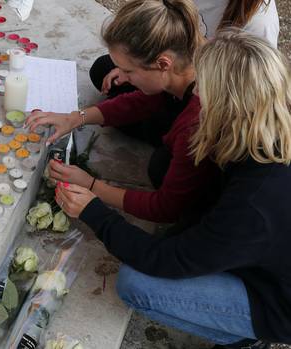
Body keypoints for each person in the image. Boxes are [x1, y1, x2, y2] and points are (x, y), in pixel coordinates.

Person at [56, 30, 291, 349]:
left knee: (136, 284)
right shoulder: (267, 124)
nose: (196, 101)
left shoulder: (255, 202)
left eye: (202, 94)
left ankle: (244, 336)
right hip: (265, 249)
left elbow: (164, 260)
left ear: (224, 106)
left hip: (277, 301)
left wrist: (95, 212)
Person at [26, 0, 219, 225]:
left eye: (128, 71)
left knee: (160, 166)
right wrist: (76, 118)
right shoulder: (186, 66)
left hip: (213, 199)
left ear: (163, 64)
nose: (123, 78)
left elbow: (165, 208)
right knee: (106, 73)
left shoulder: (194, 125)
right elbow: (142, 101)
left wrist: (92, 186)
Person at [91, 0, 279, 98]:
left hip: (207, 96)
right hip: (171, 70)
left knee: (161, 163)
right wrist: (132, 63)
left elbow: (246, 93)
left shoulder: (259, 23)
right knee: (103, 70)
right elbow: (154, 25)